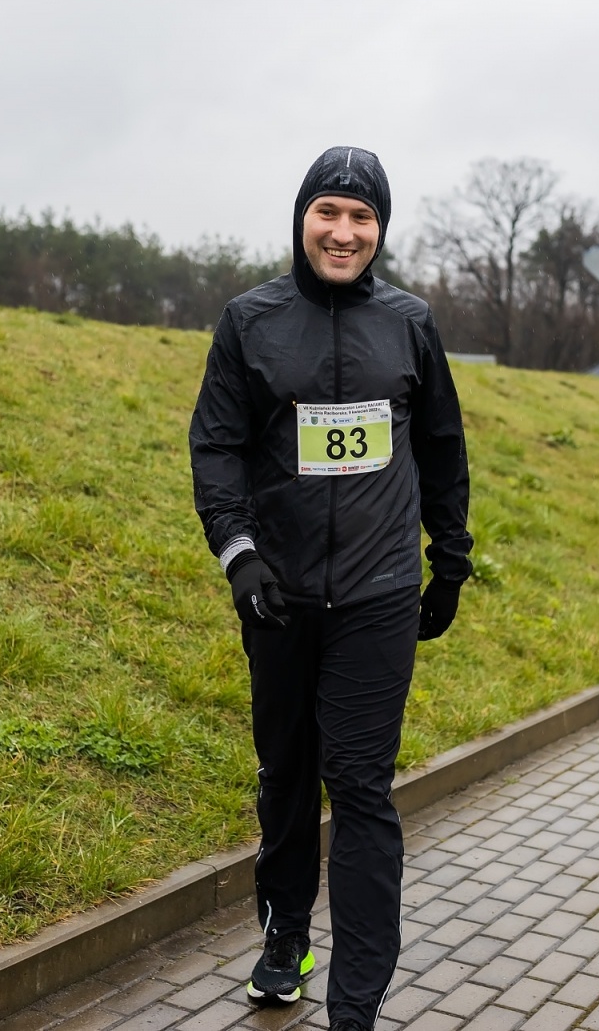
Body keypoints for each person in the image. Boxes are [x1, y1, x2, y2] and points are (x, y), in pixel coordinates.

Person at [189, 146, 472, 1031]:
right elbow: (217, 447)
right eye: (328, 213)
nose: (343, 233)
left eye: (361, 217)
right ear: (302, 218)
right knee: (286, 775)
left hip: (378, 596)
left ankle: (355, 1006)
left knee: (358, 789)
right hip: (277, 596)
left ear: (380, 229)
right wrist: (239, 555)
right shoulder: (251, 321)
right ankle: (285, 937)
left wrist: (450, 559)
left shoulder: (410, 324)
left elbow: (442, 447)